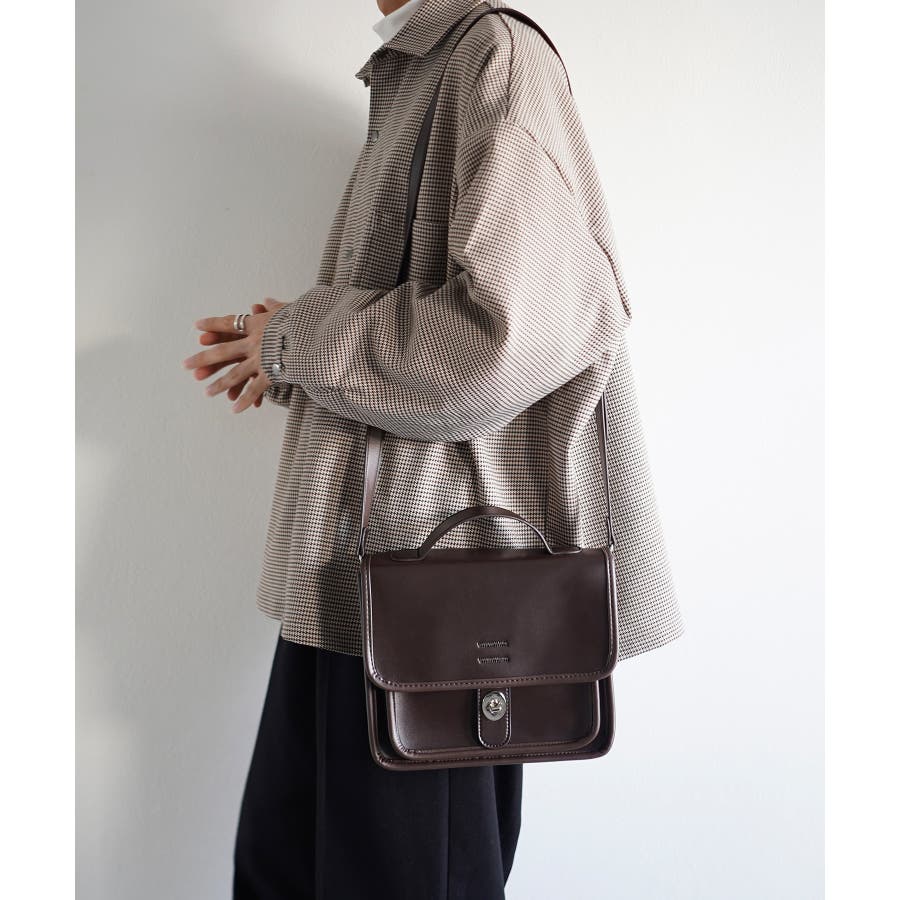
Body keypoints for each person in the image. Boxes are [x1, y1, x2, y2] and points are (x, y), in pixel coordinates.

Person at [183, 0, 684, 897]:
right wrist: (284, 352)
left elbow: (501, 341)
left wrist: (298, 340)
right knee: (284, 871)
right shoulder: (428, 65)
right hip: (355, 586)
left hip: (433, 611)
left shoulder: (494, 57)